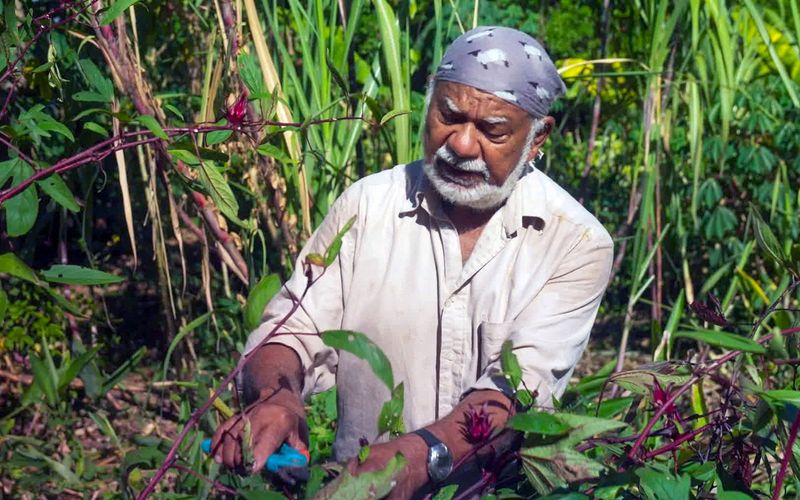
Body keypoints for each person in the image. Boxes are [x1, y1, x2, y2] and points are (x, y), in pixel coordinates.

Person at [211, 26, 613, 497]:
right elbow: (292, 331)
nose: (461, 144)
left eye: (492, 130)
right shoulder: (367, 206)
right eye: (448, 115)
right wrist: (276, 397)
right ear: (428, 104)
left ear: (537, 138)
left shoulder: (575, 242)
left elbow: (515, 394)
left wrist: (419, 458)